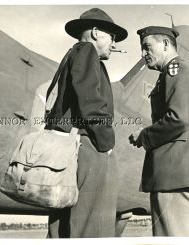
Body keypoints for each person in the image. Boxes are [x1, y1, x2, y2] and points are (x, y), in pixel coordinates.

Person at [45, 8, 128, 238]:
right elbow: (90, 101)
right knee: (92, 226)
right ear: (95, 32)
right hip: (88, 147)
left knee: (62, 227)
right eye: (112, 36)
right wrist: (106, 143)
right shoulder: (86, 51)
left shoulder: (72, 54)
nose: (113, 43)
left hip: (71, 149)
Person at [129, 26, 189, 236]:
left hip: (173, 174)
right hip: (183, 173)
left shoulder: (176, 70)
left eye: (147, 47)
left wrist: (144, 136)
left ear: (165, 44)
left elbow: (177, 119)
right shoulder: (175, 72)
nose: (143, 54)